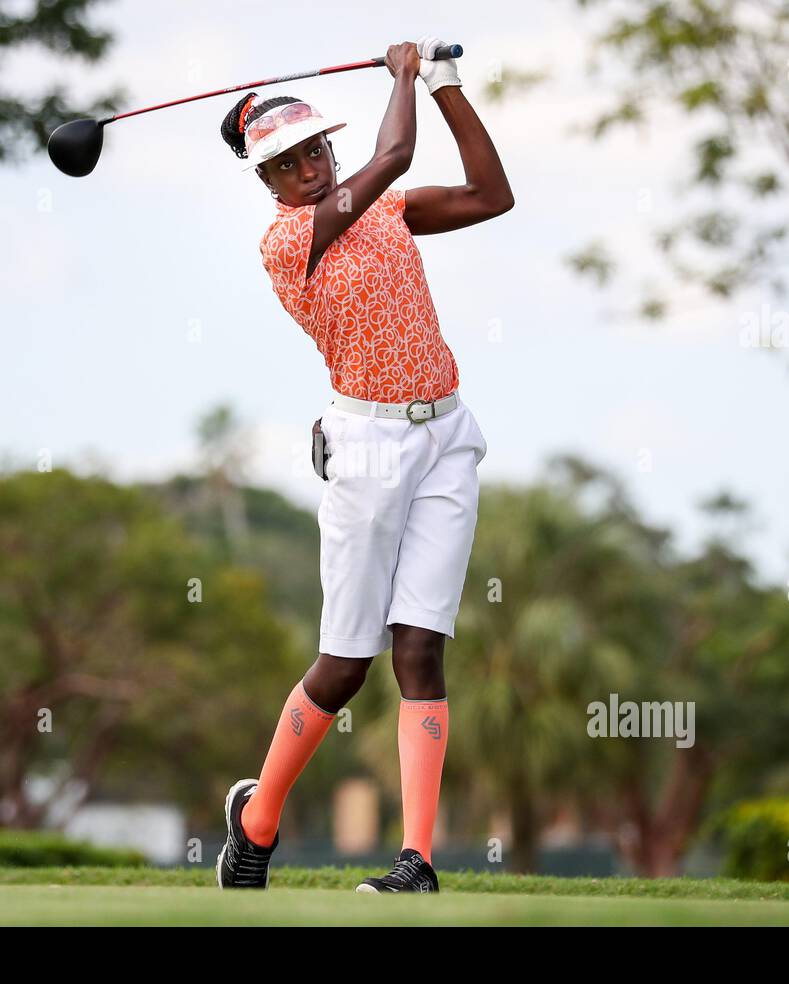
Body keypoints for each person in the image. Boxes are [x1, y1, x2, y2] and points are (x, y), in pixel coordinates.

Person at [215, 37, 513, 893]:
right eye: (287, 161)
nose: (308, 166)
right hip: (369, 448)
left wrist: (447, 85)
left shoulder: (384, 211)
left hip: (446, 434)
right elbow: (396, 152)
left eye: (314, 149)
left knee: (422, 649)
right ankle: (259, 819)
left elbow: (494, 194)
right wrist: (404, 75)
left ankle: (416, 860)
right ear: (267, 183)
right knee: (348, 663)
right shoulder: (287, 242)